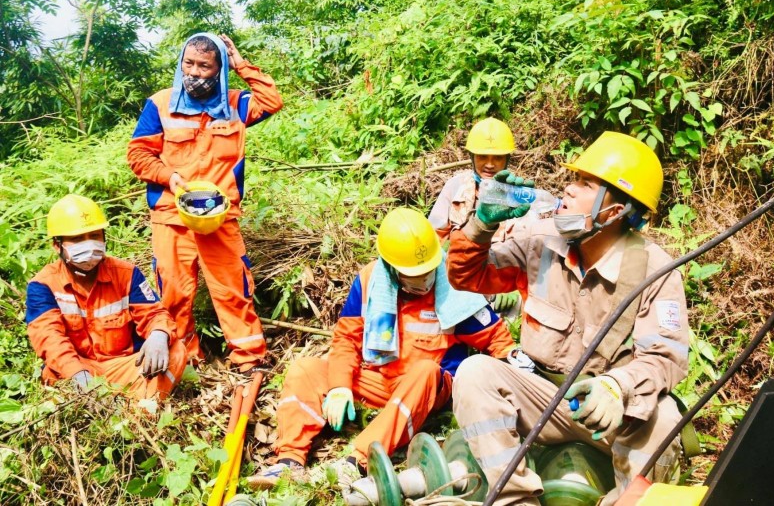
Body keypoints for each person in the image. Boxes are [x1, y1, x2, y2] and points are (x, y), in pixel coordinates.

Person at [446, 132, 689, 506]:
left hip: (610, 409)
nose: (569, 189)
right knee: (475, 372)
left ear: (616, 210)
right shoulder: (542, 243)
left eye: (586, 183)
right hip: (544, 396)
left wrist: (616, 386)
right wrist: (481, 225)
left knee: (666, 418)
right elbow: (467, 276)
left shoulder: (655, 270)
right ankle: (515, 499)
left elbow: (665, 358)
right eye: (573, 179)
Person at [246, 207, 516, 492]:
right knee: (306, 370)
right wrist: (339, 387)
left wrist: (511, 382)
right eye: (414, 274)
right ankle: (290, 462)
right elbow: (346, 339)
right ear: (391, 268)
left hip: (426, 387)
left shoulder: (454, 288)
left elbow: (497, 340)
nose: (424, 279)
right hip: (377, 376)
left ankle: (356, 462)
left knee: (425, 371)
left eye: (427, 272)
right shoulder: (370, 281)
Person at [127, 32, 283, 371]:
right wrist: (169, 177)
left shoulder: (237, 104)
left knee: (232, 287)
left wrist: (241, 64)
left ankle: (249, 358)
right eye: (189, 64)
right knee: (174, 292)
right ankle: (187, 360)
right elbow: (138, 154)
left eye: (205, 66)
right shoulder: (160, 104)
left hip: (219, 217)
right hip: (171, 216)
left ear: (219, 69)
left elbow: (271, 101)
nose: (195, 73)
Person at [25, 195, 187, 400]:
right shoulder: (43, 285)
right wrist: (77, 374)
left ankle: (141, 412)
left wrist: (158, 334)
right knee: (52, 371)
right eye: (76, 239)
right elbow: (50, 339)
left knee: (175, 351)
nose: (88, 244)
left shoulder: (127, 274)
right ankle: (118, 403)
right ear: (57, 245)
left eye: (94, 235)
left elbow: (154, 313)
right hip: (78, 367)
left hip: (125, 365)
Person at [428, 117, 524, 315]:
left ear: (507, 159)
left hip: (500, 285)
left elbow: (528, 252)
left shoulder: (520, 195)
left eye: (497, 158)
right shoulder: (456, 187)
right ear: (472, 157)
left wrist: (515, 288)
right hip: (456, 282)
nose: (489, 164)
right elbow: (433, 240)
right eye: (482, 157)